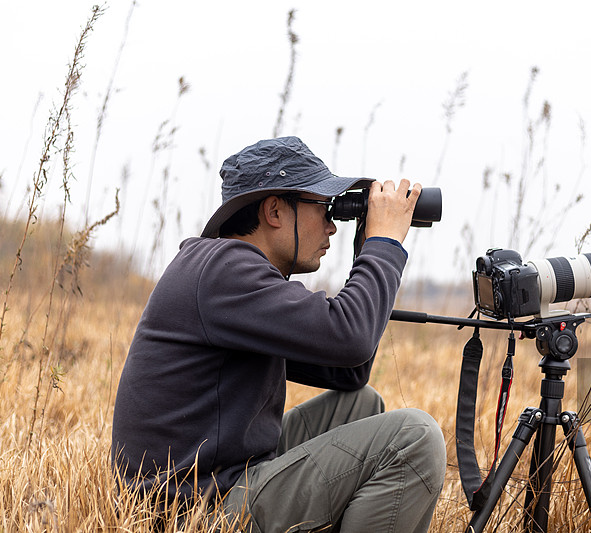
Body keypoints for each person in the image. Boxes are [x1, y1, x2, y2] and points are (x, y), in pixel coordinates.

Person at [112, 136, 447, 532]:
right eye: (323, 208)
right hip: (194, 514)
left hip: (216, 484)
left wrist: (366, 249)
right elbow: (351, 336)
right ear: (274, 211)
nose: (331, 226)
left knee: (359, 403)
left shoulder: (226, 271)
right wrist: (384, 243)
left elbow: (348, 370)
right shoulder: (225, 270)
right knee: (415, 436)